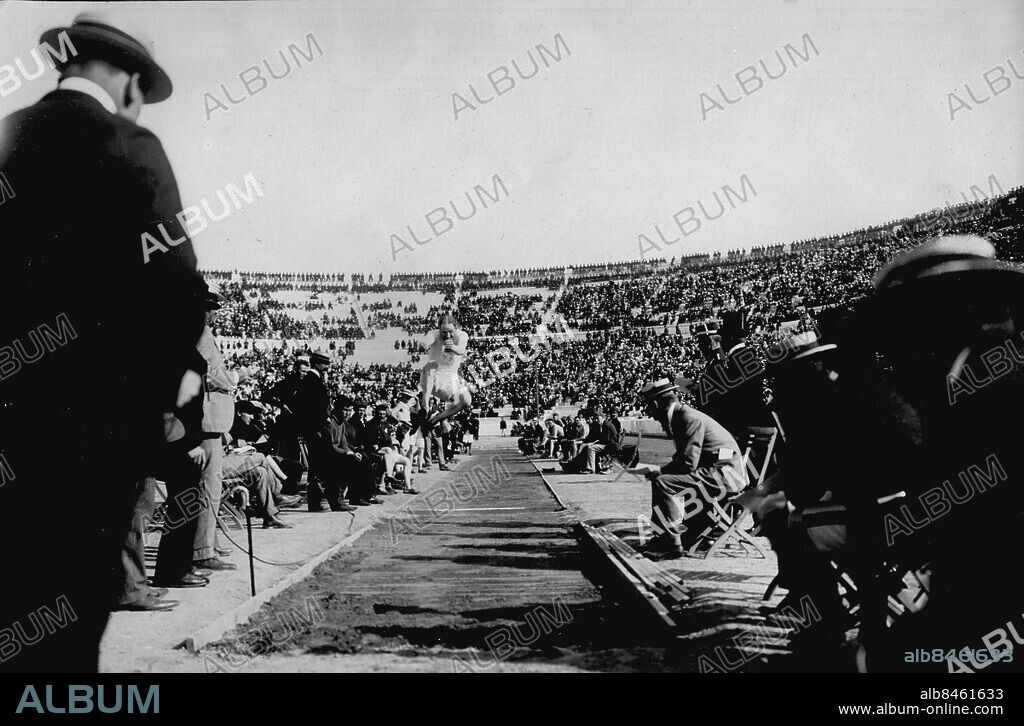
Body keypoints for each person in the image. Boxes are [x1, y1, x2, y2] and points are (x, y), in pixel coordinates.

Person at [0, 14, 207, 670]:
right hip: (91, 439)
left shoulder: (6, 138)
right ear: (123, 79)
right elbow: (177, 291)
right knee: (65, 635)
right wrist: (158, 422)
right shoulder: (130, 144)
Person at [632, 378, 747, 560]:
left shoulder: (687, 418)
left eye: (649, 408)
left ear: (655, 404)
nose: (652, 415)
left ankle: (669, 542)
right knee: (672, 479)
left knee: (663, 482)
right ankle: (669, 536)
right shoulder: (684, 415)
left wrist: (659, 471)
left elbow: (687, 463)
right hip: (724, 472)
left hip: (726, 476)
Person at [419, 314, 472, 432]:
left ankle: (438, 418)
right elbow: (427, 339)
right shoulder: (434, 334)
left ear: (456, 328)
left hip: (451, 379)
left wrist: (452, 347)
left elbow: (461, 350)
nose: (447, 335)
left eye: (450, 332)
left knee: (467, 401)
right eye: (444, 332)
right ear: (439, 330)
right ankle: (425, 405)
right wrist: (424, 344)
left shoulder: (462, 335)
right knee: (430, 366)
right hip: (432, 379)